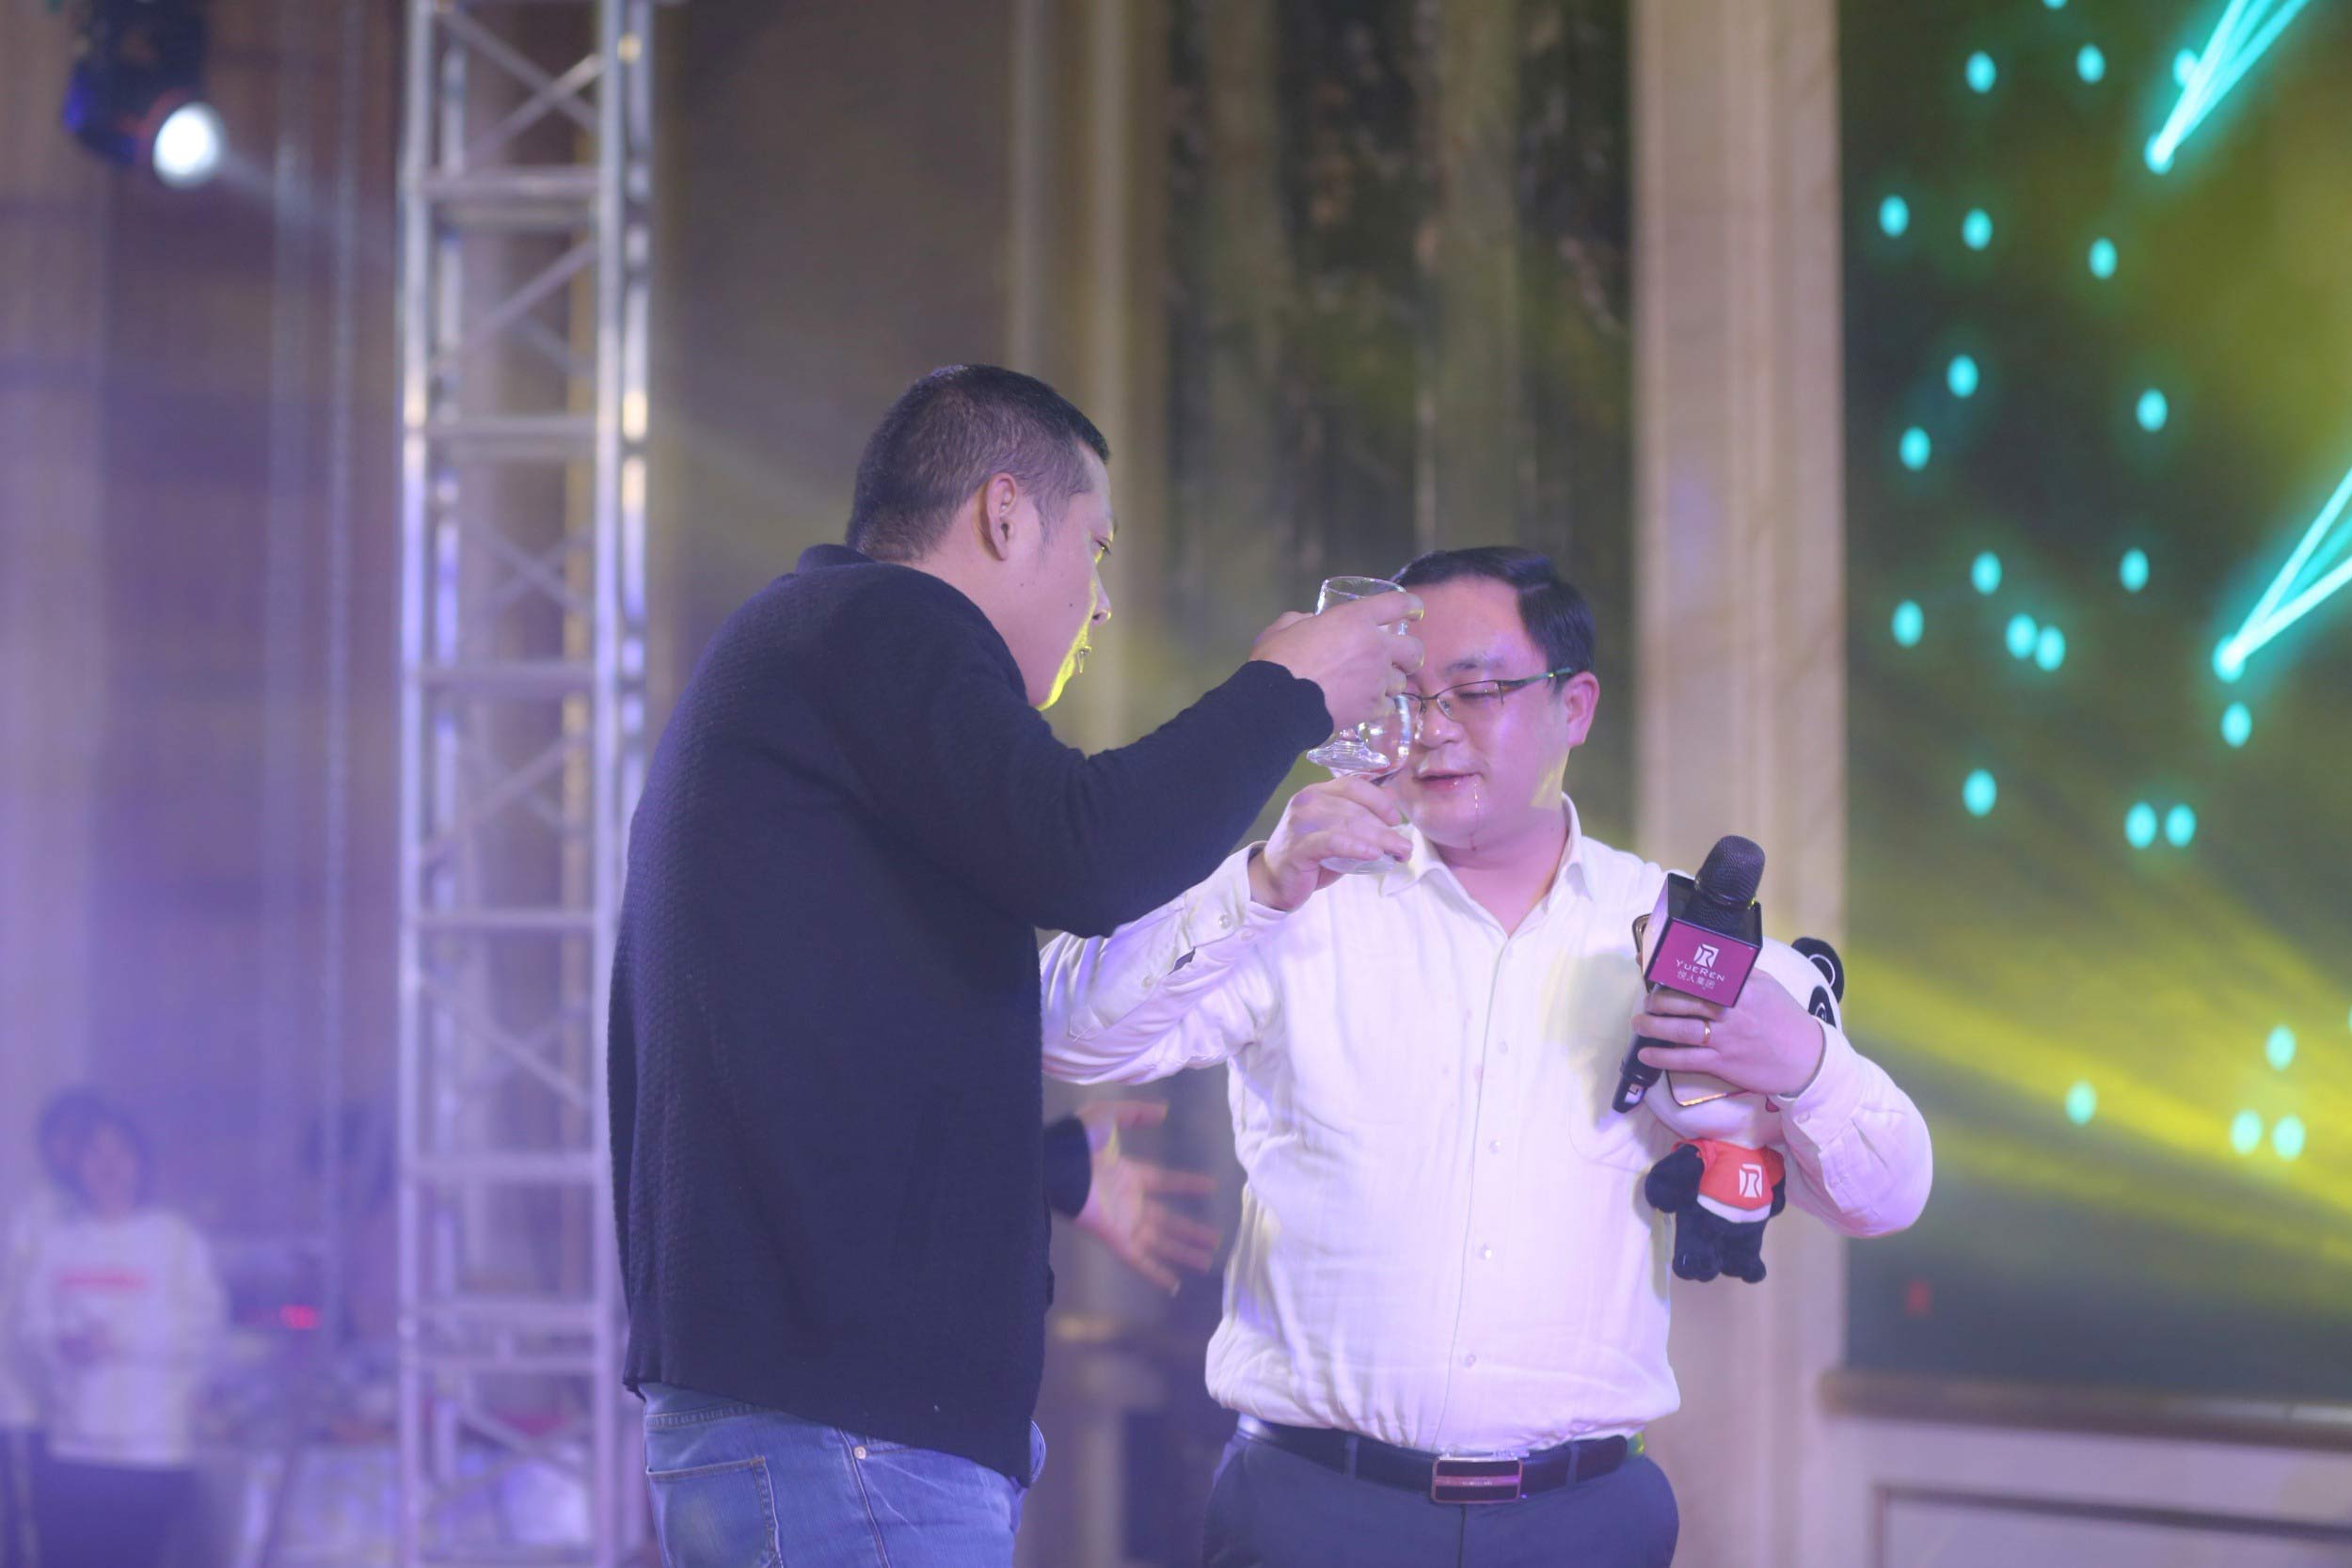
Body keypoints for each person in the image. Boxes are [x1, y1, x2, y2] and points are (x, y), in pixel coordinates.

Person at [609, 364, 1422, 1568]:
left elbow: (808, 1041)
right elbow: (1081, 849)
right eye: (1095, 547)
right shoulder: (880, 624)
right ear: (1003, 513)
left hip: (825, 1417)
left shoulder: (815, 655)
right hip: (846, 1430)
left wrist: (1039, 1166)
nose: (1101, 604)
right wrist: (1287, 690)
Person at [1040, 546, 1934, 1568]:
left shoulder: (1674, 932)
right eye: (1405, 695)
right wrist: (1261, 883)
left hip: (1577, 1517)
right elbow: (1061, 1030)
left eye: (1475, 691)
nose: (1432, 728)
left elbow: (1889, 1194)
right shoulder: (1304, 891)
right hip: (1311, 1508)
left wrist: (1804, 1062)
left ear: (1574, 706)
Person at [12, 1100, 225, 1568]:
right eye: (94, 1153)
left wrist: (121, 1340)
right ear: (76, 1166)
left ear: (141, 1163)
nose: (107, 1165)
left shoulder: (175, 1238)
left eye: (120, 1152)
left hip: (152, 1452)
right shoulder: (57, 1243)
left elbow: (203, 1329)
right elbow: (31, 1325)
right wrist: (63, 1344)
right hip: (74, 1448)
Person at [0, 1087, 106, 1568]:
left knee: (72, 1535)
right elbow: (28, 1316)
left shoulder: (103, 1215)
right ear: (46, 1146)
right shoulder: (37, 1216)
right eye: (67, 1135)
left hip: (83, 1417)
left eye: (89, 1135)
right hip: (28, 1409)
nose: (78, 1146)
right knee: (32, 1541)